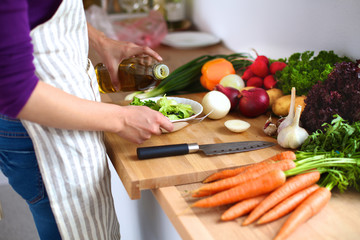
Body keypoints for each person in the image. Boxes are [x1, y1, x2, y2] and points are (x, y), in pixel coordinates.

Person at [0, 0, 173, 239]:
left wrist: (102, 41)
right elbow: (15, 92)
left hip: (65, 107)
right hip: (38, 126)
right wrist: (122, 119)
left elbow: (41, 9)